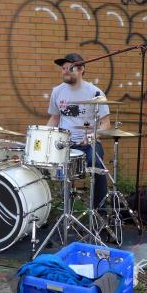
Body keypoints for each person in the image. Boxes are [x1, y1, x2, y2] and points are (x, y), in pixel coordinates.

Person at [47, 53, 110, 212]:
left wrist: (92, 136)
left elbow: (105, 124)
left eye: (70, 68)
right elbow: (54, 118)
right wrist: (43, 136)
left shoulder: (95, 93)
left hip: (88, 144)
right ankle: (63, 210)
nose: (65, 71)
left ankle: (100, 212)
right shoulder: (57, 91)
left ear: (81, 69)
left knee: (97, 166)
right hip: (64, 143)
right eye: (63, 68)